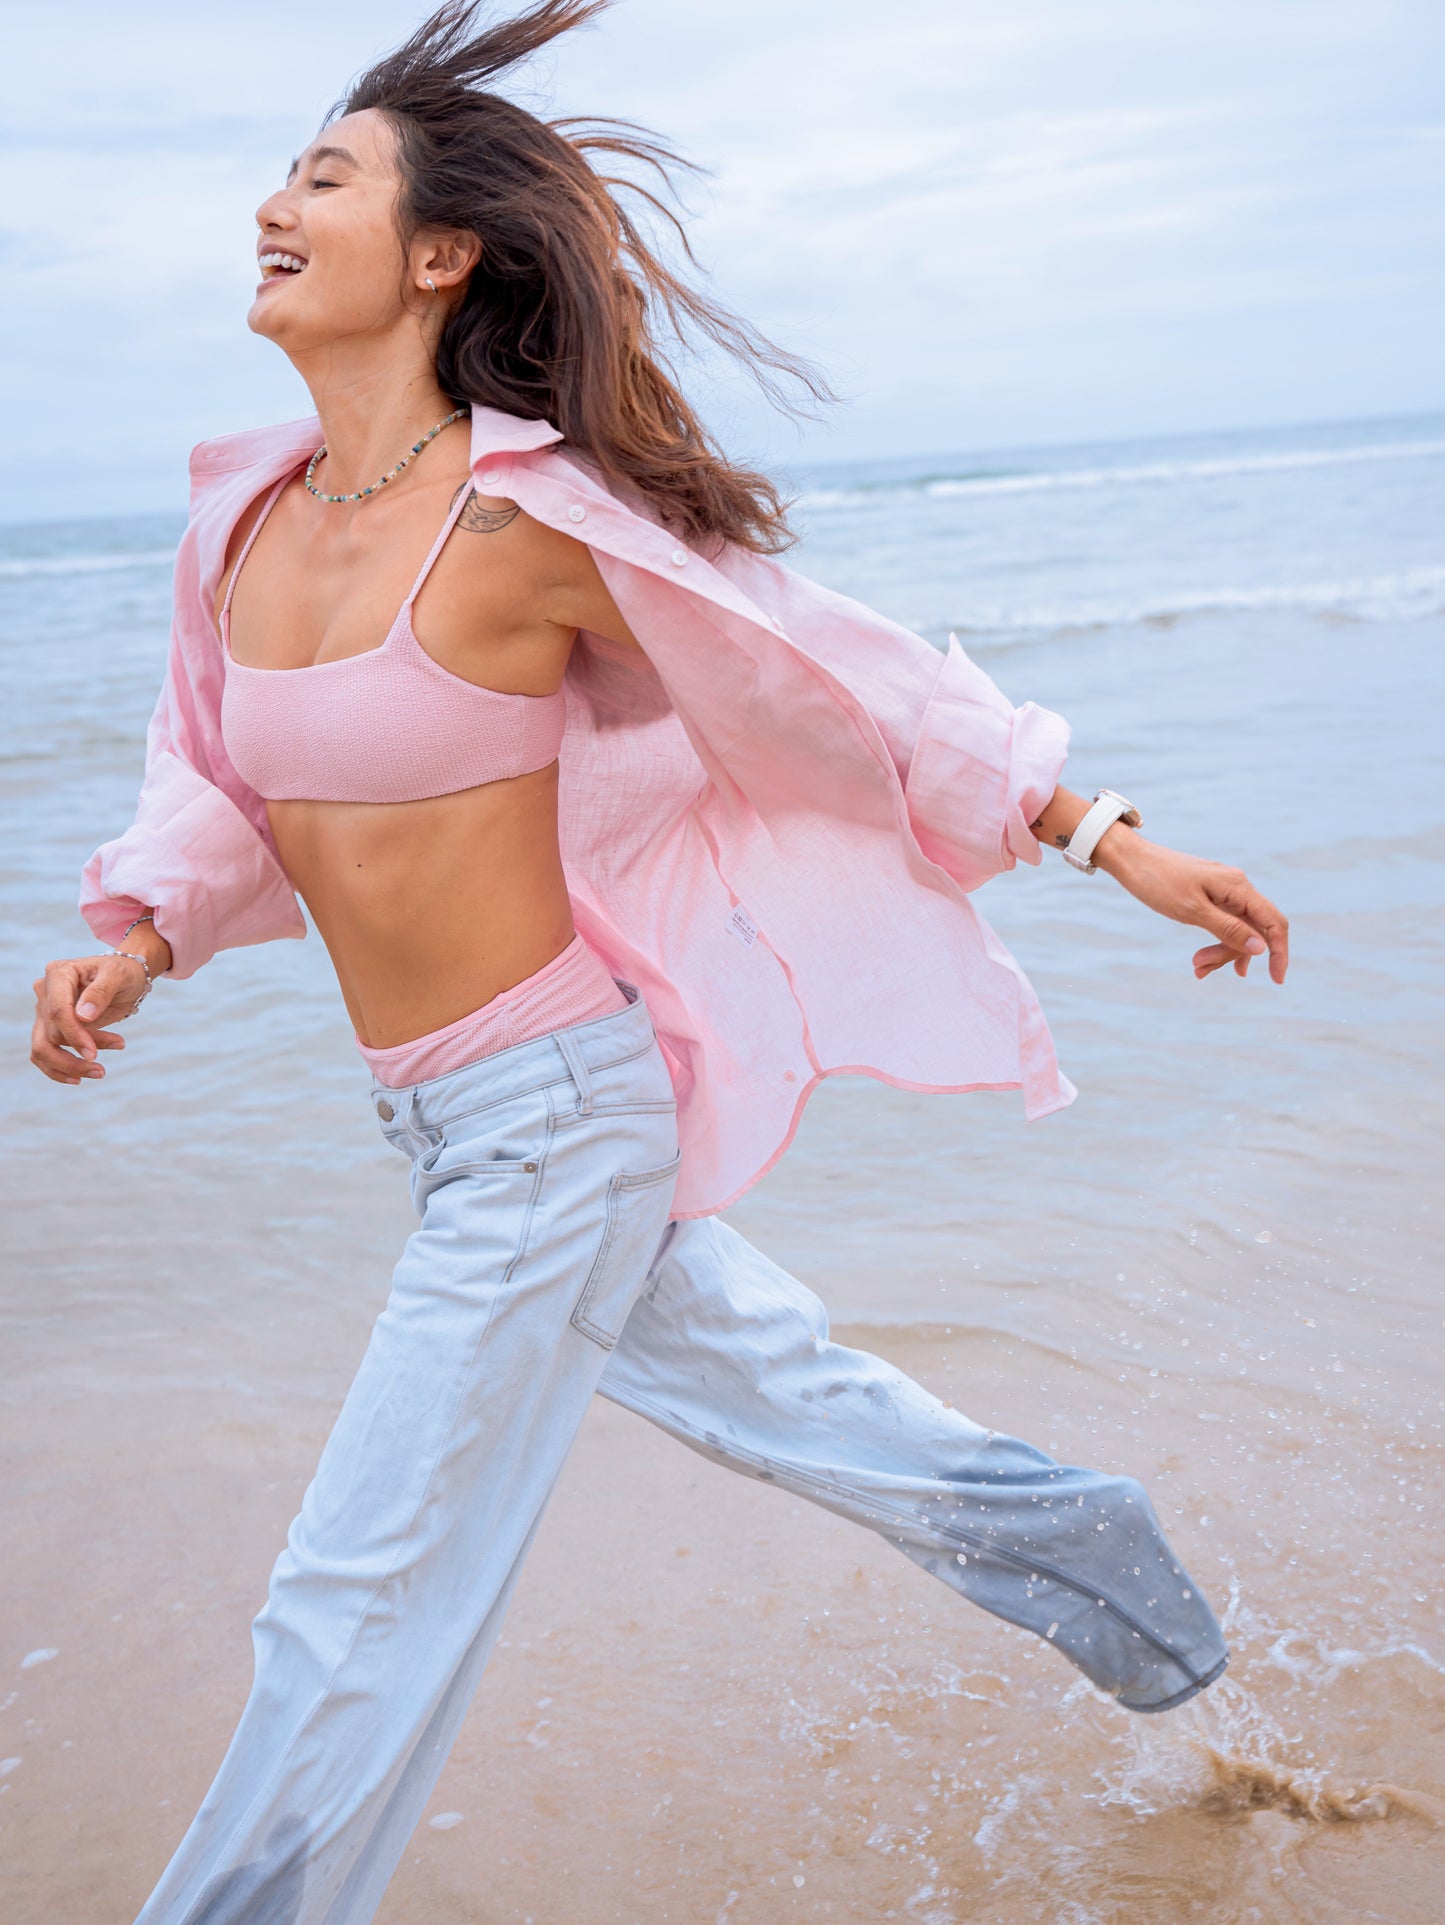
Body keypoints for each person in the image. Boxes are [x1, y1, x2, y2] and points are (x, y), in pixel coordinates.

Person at [29, 3, 1288, 1919]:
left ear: (439, 255)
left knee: (358, 1591)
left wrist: (1102, 832)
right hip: (449, 1126)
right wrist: (137, 932)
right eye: (286, 169)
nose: (271, 202)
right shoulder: (243, 517)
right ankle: (1107, 1563)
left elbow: (830, 663)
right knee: (795, 1400)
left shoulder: (529, 523)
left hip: (555, 1119)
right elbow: (209, 769)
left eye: (324, 176)